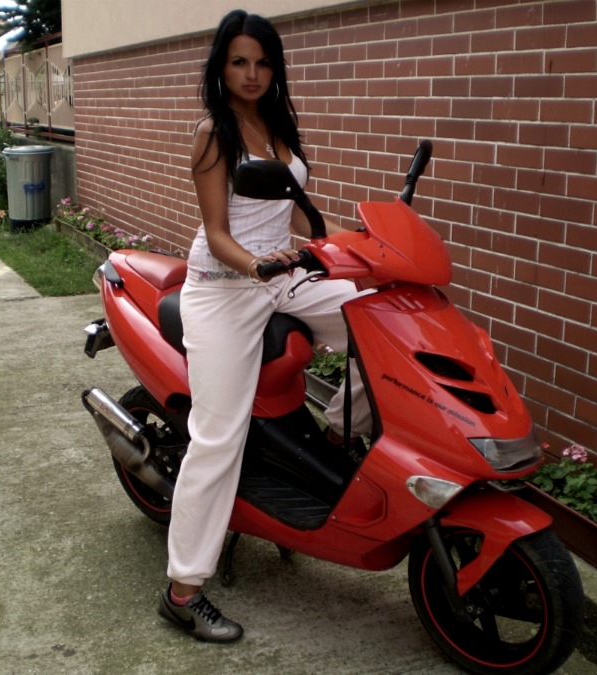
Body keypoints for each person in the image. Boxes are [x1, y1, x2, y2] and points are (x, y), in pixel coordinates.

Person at [157, 9, 371, 642]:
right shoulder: (213, 133)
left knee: (382, 321)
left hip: (282, 275)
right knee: (217, 439)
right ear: (221, 67)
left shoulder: (277, 125)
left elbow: (300, 218)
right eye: (239, 62)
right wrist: (256, 265)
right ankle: (182, 590)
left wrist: (364, 246)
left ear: (275, 68)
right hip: (224, 287)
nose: (251, 74)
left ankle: (333, 436)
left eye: (262, 62)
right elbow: (218, 232)